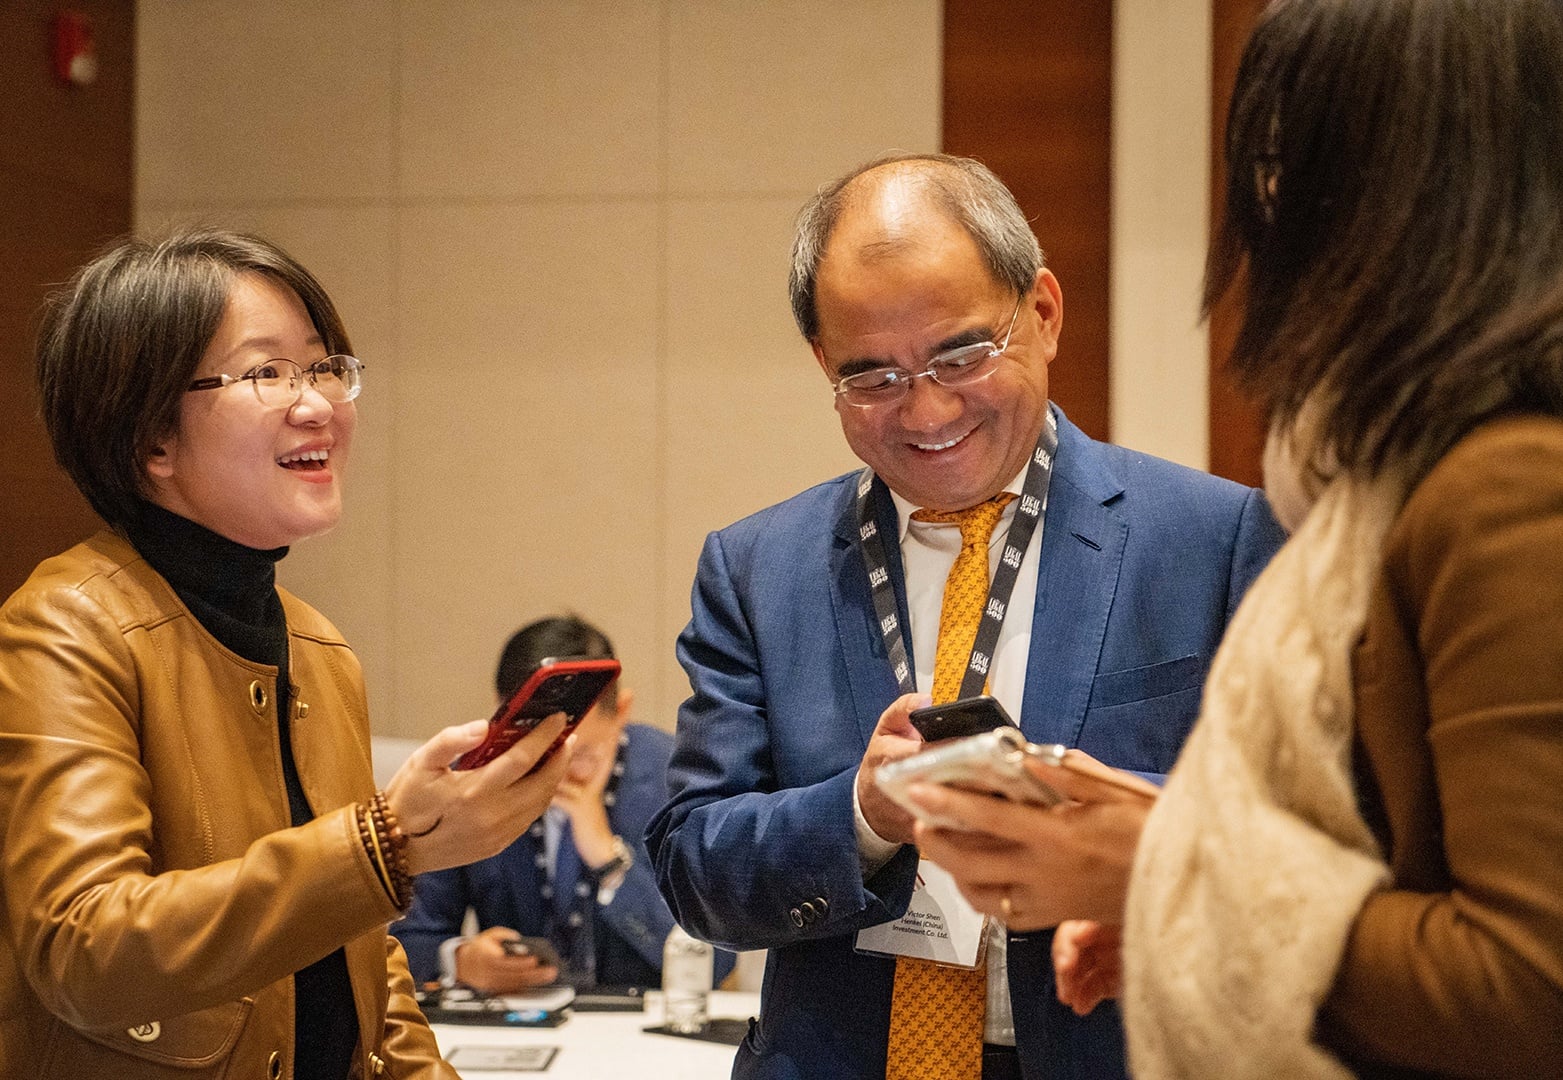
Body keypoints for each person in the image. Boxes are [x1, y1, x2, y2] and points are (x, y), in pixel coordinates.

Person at [908, 2, 1563, 1077]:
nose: (1266, 210)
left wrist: (1171, 874)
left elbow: (1526, 994)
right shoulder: (1387, 480)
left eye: (1291, 160)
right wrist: (1185, 899)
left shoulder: (1507, 488)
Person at [645, 152, 1286, 1080]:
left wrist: (1098, 828)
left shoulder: (1214, 539)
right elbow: (693, 870)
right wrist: (860, 814)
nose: (926, 410)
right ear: (823, 362)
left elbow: (1297, 834)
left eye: (961, 355)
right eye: (872, 377)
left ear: (1044, 312)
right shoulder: (756, 569)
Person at [0, 229, 574, 1080]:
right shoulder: (65, 626)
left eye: (324, 366)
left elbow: (361, 958)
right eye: (268, 372)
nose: (319, 406)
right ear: (152, 438)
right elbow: (85, 951)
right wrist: (387, 847)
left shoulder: (319, 649)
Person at [393, 615, 736, 992]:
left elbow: (718, 960)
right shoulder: (468, 786)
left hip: (641, 1020)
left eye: (581, 754)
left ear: (622, 712)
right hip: (515, 1018)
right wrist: (460, 961)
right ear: (499, 715)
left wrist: (609, 861)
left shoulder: (676, 780)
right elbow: (405, 941)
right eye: (538, 752)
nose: (555, 771)